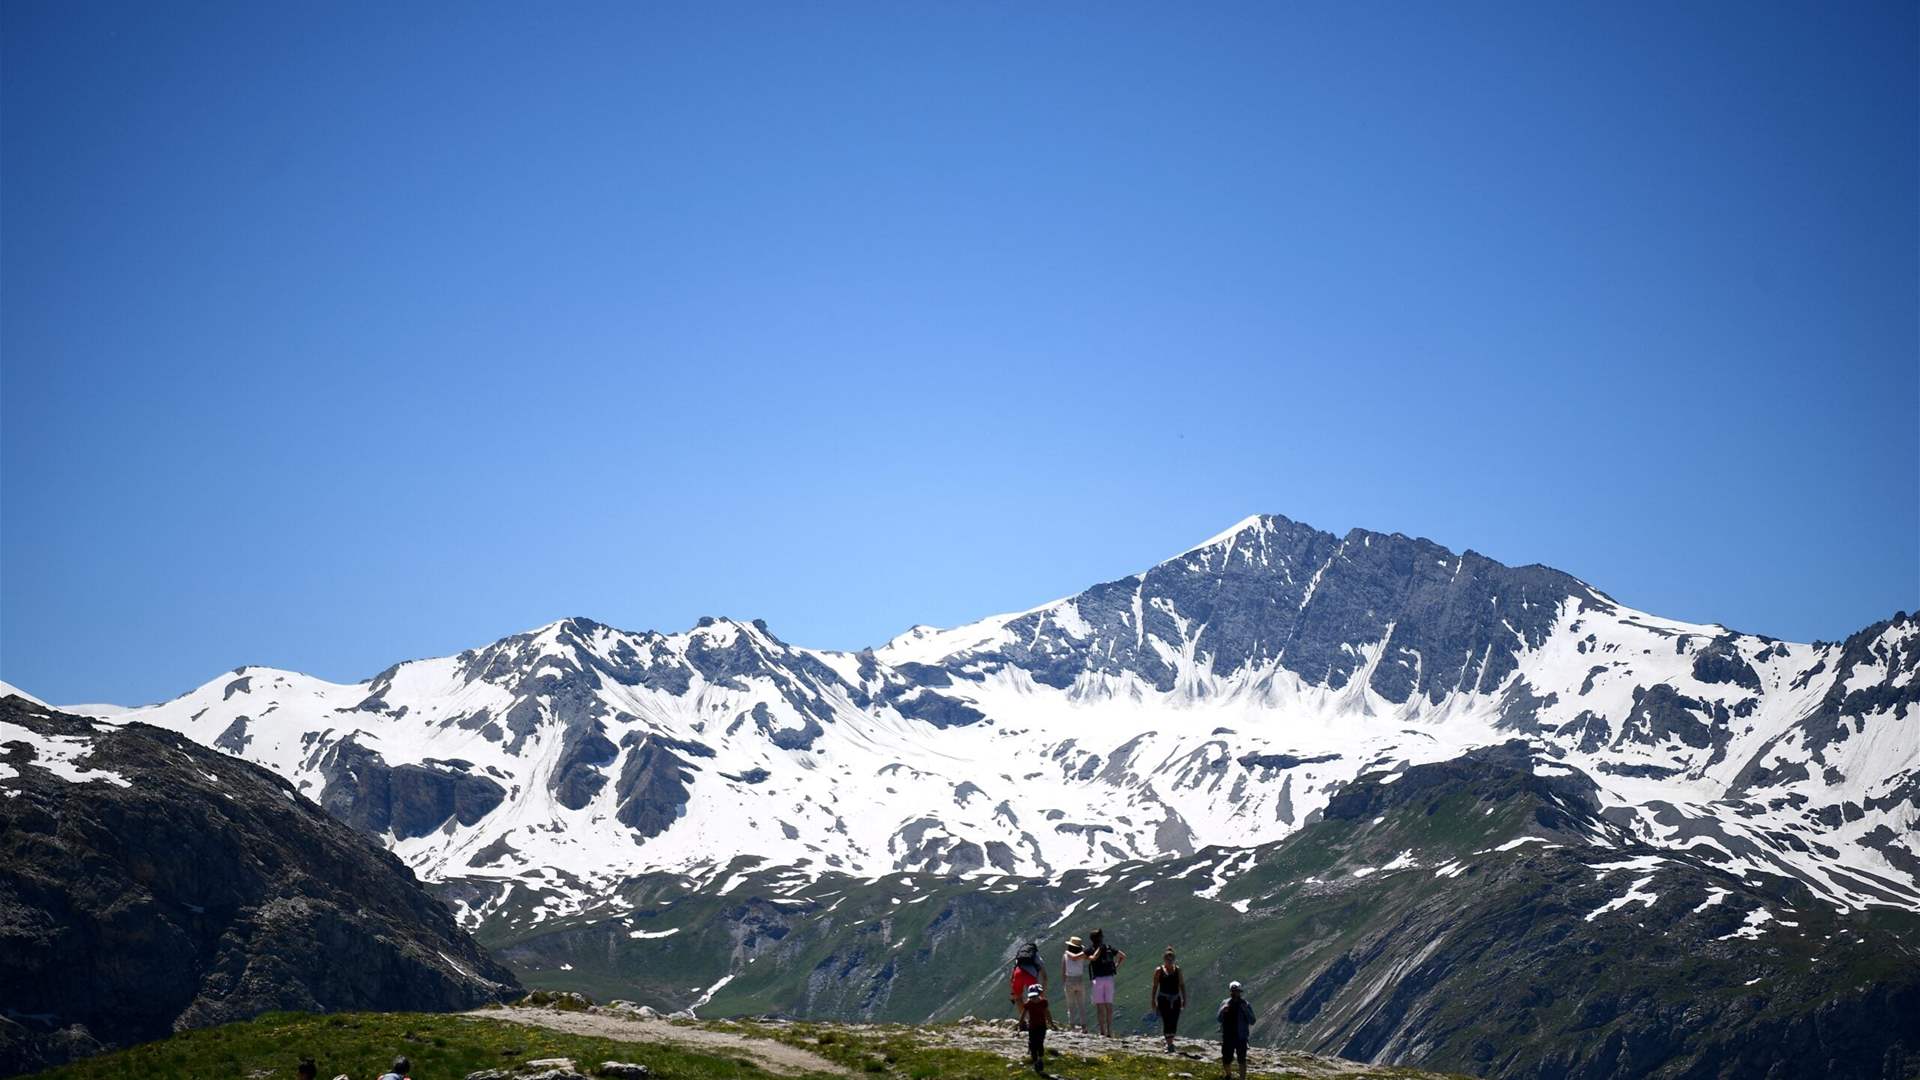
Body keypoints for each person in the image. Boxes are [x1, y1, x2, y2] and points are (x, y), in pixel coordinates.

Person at [1086, 927, 1126, 1037]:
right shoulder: (1108, 948)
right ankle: (1109, 1031)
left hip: (1098, 979)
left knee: (1100, 1007)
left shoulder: (1091, 949)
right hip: (1109, 978)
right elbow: (1122, 956)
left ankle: (1102, 1031)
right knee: (1109, 1006)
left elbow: (1083, 957)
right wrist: (1115, 966)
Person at [1150, 947, 1187, 1051]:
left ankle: (1171, 1041)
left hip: (1176, 999)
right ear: (1164, 959)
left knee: (1174, 1020)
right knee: (1166, 1020)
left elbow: (1182, 984)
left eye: (1171, 959)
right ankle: (1169, 1043)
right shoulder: (1159, 971)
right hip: (1163, 998)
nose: (1169, 961)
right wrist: (1153, 1000)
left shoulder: (1178, 970)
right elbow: (1155, 985)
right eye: (1167, 959)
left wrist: (1184, 998)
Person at [1217, 981, 1254, 1080]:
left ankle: (1242, 1078)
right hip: (1228, 1036)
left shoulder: (1245, 1004)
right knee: (1226, 1059)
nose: (1235, 993)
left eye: (1237, 991)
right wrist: (1222, 1011)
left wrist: (1245, 1010)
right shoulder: (1225, 1003)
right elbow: (1219, 1019)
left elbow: (1252, 1020)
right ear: (1230, 991)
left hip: (1241, 1037)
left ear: (1240, 992)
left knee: (1241, 1059)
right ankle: (1228, 1075)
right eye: (1233, 991)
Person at [1010, 941, 1047, 1027]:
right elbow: (1044, 977)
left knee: (1018, 998)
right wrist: (1042, 994)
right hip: (1030, 976)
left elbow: (1012, 976)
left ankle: (1023, 1022)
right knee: (1033, 998)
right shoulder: (1037, 958)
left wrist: (1013, 992)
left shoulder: (1019, 957)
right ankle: (1033, 1020)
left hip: (1017, 974)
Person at [1019, 984, 1053, 1075]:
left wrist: (1051, 1023)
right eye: (1032, 997)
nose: (1033, 998)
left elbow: (1047, 1012)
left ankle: (1040, 1059)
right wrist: (1020, 1023)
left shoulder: (1043, 1002)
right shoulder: (1028, 1004)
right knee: (1033, 1043)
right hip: (1033, 1027)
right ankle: (1036, 1061)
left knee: (1040, 1042)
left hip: (1041, 1026)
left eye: (1035, 996)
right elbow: (1023, 1014)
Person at [1060, 935, 1090, 1032]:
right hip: (1080, 980)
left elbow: (1063, 970)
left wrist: (1064, 982)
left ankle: (1072, 1026)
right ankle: (1084, 1026)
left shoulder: (1065, 956)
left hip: (1069, 980)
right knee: (1081, 1004)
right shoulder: (1082, 956)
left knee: (1071, 1005)